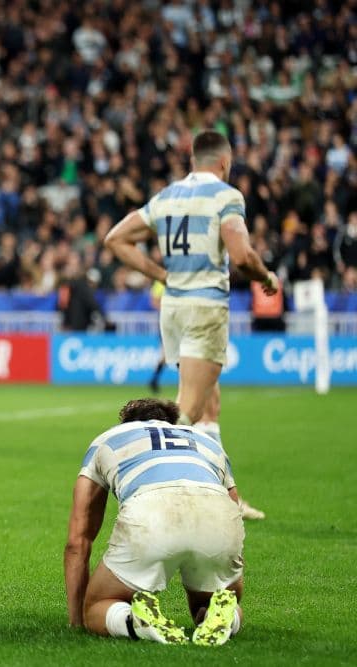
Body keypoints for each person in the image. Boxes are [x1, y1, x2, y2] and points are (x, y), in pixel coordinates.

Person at [104, 130, 276, 521]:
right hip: (204, 306)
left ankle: (228, 497)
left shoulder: (167, 196)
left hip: (175, 308)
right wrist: (266, 277)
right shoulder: (226, 197)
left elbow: (115, 239)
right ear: (224, 162)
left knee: (208, 404)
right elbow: (242, 256)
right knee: (188, 413)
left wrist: (160, 273)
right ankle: (141, 487)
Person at [64, 397, 246, 646]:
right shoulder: (209, 443)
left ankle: (132, 620)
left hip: (151, 513)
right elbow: (233, 510)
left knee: (98, 605)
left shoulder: (109, 438)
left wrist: (79, 619)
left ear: (126, 423)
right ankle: (228, 616)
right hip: (218, 516)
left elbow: (78, 540)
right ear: (171, 422)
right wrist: (229, 583)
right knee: (215, 599)